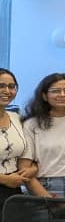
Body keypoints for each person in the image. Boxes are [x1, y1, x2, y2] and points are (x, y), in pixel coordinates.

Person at [0, 70, 28, 213]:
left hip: (13, 190)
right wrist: (4, 179)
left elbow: (24, 151)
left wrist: (32, 168)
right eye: (1, 86)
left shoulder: (16, 117)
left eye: (11, 86)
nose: (7, 91)